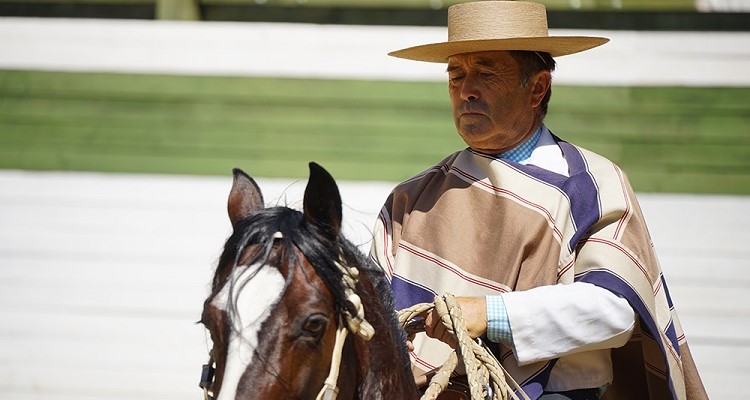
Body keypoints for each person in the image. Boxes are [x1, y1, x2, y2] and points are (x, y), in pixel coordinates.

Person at [369, 1, 707, 399]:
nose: (466, 91)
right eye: (456, 75)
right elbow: (371, 311)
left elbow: (615, 310)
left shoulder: (590, 186)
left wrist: (489, 314)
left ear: (537, 88)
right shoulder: (410, 200)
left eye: (486, 73)